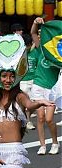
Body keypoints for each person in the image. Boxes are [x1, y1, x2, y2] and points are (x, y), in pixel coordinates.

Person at [0, 34, 55, 168]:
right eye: (4, 76)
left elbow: (30, 104)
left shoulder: (19, 96)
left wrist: (40, 102)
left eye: (11, 76)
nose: (8, 80)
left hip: (13, 150)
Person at [30, 17, 60, 155]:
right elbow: (33, 33)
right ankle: (42, 145)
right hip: (38, 85)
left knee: (49, 119)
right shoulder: (41, 48)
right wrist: (36, 23)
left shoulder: (58, 53)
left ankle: (54, 142)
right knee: (40, 117)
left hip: (51, 88)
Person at [20, 34, 38, 130]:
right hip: (22, 81)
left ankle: (25, 119)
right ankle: (27, 121)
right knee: (23, 103)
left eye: (28, 45)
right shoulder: (18, 54)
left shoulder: (35, 52)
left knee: (34, 103)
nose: (27, 47)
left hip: (33, 81)